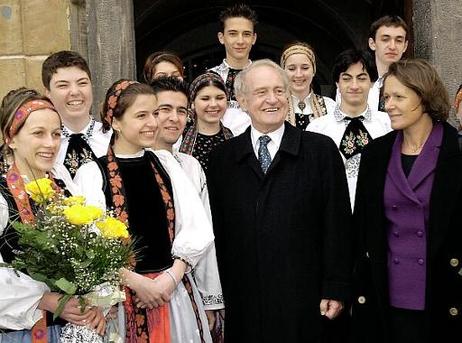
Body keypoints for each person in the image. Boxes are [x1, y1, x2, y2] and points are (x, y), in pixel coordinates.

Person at [207, 59, 352, 342]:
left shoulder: (319, 152)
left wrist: (336, 286)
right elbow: (218, 234)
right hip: (246, 301)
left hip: (306, 301)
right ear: (242, 100)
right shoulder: (223, 159)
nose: (272, 100)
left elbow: (338, 224)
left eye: (279, 91)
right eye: (261, 92)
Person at [74, 80, 215, 342]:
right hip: (121, 299)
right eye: (141, 115)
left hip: (171, 294)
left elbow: (195, 226)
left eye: (154, 113)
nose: (152, 122)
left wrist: (170, 279)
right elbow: (89, 244)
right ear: (115, 121)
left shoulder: (165, 164)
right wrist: (138, 283)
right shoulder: (93, 174)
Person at [352, 59, 462, 343]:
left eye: (399, 97)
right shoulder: (375, 154)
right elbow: (362, 228)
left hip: (444, 292)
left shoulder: (456, 152)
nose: (389, 105)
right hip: (386, 294)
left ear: (424, 97)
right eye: (386, 97)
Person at [0, 88, 105, 341]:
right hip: (24, 332)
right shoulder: (2, 195)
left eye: (56, 134)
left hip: (76, 330)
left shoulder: (66, 189)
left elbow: (96, 251)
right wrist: (44, 299)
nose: (51, 143)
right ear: (10, 138)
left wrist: (97, 304)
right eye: (38, 133)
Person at [151, 75, 225, 341]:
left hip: (185, 286)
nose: (174, 118)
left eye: (181, 111)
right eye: (164, 110)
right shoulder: (131, 163)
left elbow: (205, 236)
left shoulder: (191, 166)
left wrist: (209, 300)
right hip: (143, 289)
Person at [307, 49, 391, 208]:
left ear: (371, 82)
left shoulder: (388, 125)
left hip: (378, 211)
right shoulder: (317, 128)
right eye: (347, 78)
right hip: (332, 211)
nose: (354, 85)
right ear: (337, 83)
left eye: (361, 78)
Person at [42, 50, 112, 178]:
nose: (74, 92)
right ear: (48, 93)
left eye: (82, 83)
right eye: (63, 85)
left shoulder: (114, 138)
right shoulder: (41, 146)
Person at [210, 3, 257, 136]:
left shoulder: (265, 77)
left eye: (246, 34)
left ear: (254, 38)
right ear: (221, 37)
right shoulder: (210, 78)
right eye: (233, 34)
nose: (240, 41)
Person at [179, 72, 233, 170]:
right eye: (205, 99)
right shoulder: (179, 138)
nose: (213, 104)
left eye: (219, 98)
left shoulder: (234, 137)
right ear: (192, 103)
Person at [280, 42, 336, 130]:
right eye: (292, 69)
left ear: (313, 70)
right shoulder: (275, 105)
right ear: (283, 72)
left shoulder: (330, 106)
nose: (298, 74)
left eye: (305, 68)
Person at [368, 15, 409, 111]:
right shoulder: (361, 89)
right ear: (372, 43)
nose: (392, 46)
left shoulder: (414, 84)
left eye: (399, 40)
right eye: (385, 39)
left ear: (405, 46)